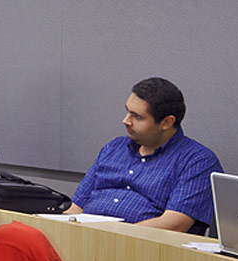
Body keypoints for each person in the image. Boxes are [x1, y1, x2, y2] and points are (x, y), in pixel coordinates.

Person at [68, 76, 222, 231]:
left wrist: (114, 236)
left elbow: (174, 224)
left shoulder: (197, 161)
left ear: (166, 122)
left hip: (143, 248)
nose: (126, 121)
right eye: (128, 112)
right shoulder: (114, 148)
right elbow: (77, 206)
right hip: (85, 240)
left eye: (137, 116)